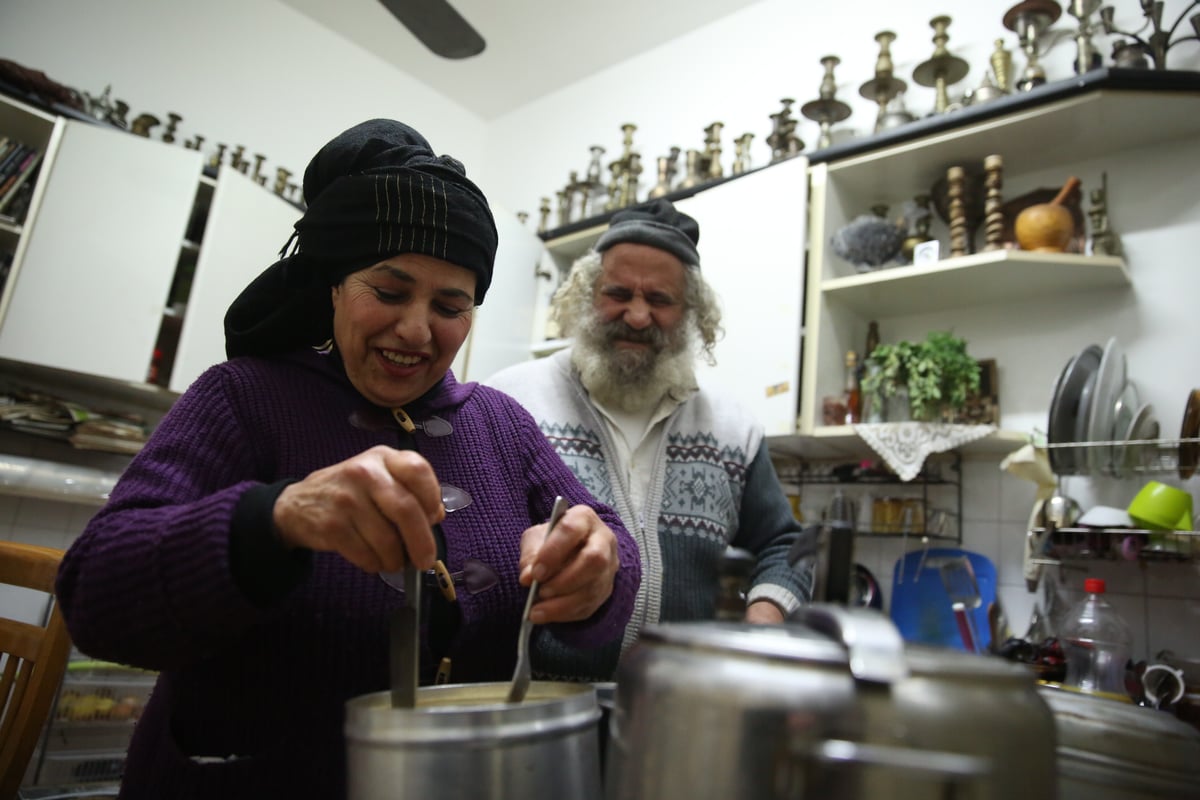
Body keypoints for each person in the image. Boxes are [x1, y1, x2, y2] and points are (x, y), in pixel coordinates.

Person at [54, 119, 640, 799]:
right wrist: (276, 519)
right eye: (388, 293)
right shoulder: (243, 397)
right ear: (333, 286)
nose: (417, 329)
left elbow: (606, 539)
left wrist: (597, 566)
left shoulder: (502, 424)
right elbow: (95, 592)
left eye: (449, 306)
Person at [486, 198, 813, 682]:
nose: (637, 316)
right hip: (539, 710)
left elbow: (785, 544)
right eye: (618, 292)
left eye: (660, 300)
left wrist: (762, 622)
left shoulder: (732, 425)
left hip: (683, 709)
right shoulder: (511, 401)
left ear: (691, 314)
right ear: (585, 295)